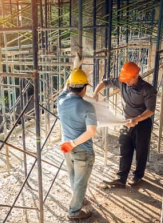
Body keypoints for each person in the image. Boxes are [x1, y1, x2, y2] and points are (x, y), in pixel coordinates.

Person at [92, 62, 157, 187]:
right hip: (126, 122)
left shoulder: (148, 89)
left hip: (142, 124)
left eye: (128, 80)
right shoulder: (122, 82)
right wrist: (95, 94)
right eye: (124, 80)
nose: (126, 82)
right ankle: (121, 178)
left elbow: (150, 110)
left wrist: (137, 119)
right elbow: (104, 83)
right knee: (125, 150)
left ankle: (138, 176)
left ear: (136, 75)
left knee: (141, 152)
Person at [57, 68, 97, 220]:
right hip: (81, 149)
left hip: (66, 146)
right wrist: (74, 143)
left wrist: (75, 67)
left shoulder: (60, 100)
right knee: (81, 182)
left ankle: (78, 199)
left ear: (69, 86)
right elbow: (91, 131)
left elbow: (65, 87)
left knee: (73, 176)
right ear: (85, 88)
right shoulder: (87, 106)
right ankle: (74, 212)